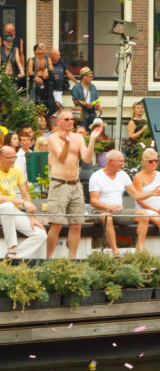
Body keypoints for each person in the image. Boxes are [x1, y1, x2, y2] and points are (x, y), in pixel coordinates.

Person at [45, 110, 102, 259]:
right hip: (59, 184)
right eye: (67, 119)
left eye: (72, 119)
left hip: (75, 184)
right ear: (58, 122)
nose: (70, 122)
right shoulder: (52, 138)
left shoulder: (78, 137)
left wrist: (93, 140)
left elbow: (87, 159)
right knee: (56, 224)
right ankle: (48, 259)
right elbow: (61, 158)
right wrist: (67, 143)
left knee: (76, 224)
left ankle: (72, 260)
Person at [88, 150, 141, 258]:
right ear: (111, 161)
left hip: (119, 211)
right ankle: (115, 251)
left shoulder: (123, 175)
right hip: (101, 211)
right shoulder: (96, 176)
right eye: (120, 161)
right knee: (107, 217)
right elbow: (93, 201)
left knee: (143, 215)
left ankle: (140, 250)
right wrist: (108, 207)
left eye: (123, 161)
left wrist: (152, 193)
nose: (123, 164)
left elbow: (136, 195)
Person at [0, 144, 46, 258]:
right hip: (5, 209)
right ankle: (11, 248)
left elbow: (25, 194)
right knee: (8, 206)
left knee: (41, 234)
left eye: (14, 157)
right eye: (9, 157)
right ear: (0, 158)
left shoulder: (17, 169)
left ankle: (13, 257)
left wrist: (31, 217)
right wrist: (23, 203)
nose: (12, 160)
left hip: (11, 211)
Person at [48, 48, 76, 113]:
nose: (59, 57)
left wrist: (76, 82)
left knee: (59, 106)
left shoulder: (61, 62)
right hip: (49, 90)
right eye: (57, 55)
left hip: (58, 89)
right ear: (52, 56)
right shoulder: (47, 62)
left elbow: (68, 73)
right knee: (50, 108)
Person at [0, 22, 25, 88]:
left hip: (14, 71)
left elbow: (20, 58)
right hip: (3, 74)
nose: (7, 33)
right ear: (4, 42)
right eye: (6, 32)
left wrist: (22, 70)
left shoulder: (16, 47)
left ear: (13, 31)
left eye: (9, 32)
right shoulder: (1, 46)